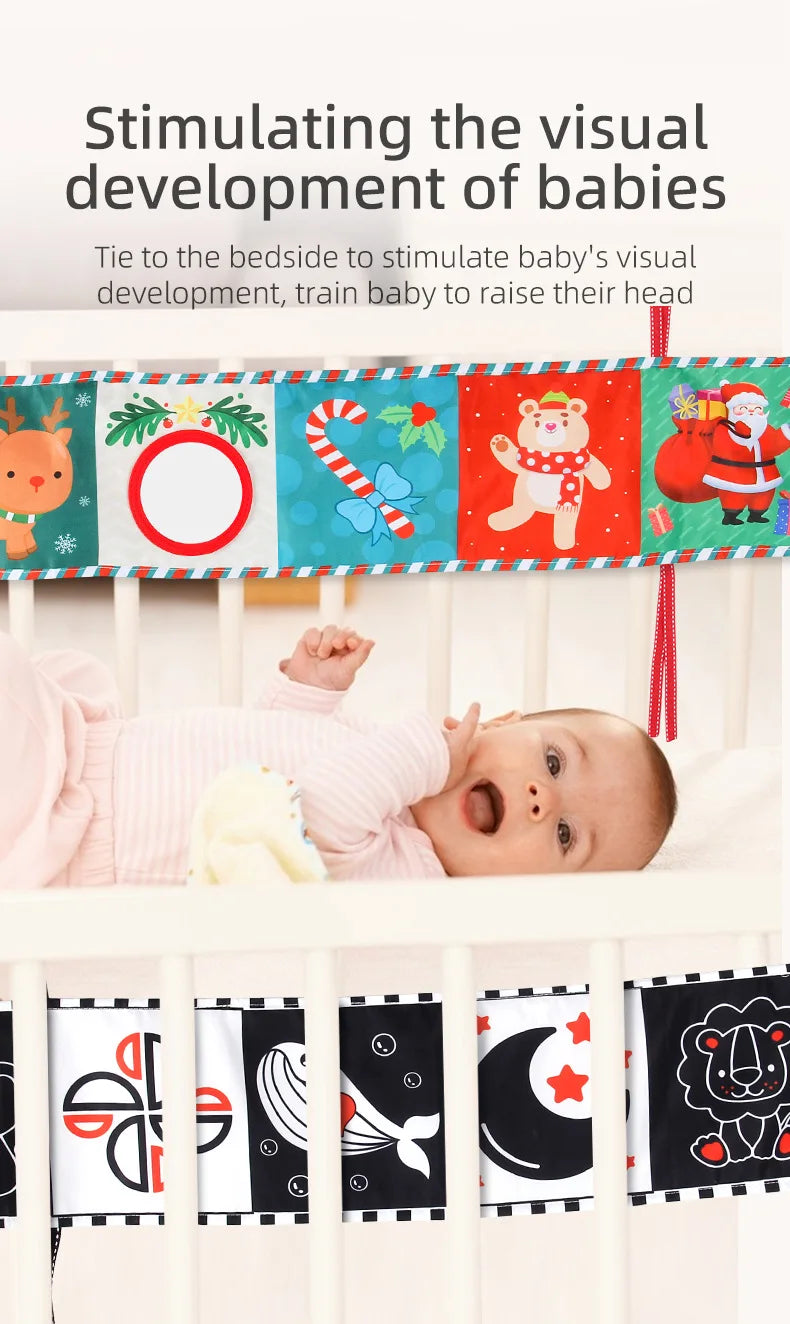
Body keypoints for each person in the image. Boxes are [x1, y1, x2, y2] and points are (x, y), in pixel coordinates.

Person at [0, 624, 677, 888]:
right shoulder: (379, 760)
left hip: (66, 825)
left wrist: (421, 752)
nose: (541, 798)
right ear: (501, 723)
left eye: (564, 835)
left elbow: (309, 820)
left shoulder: (411, 877)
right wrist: (306, 692)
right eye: (554, 762)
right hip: (86, 749)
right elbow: (259, 772)